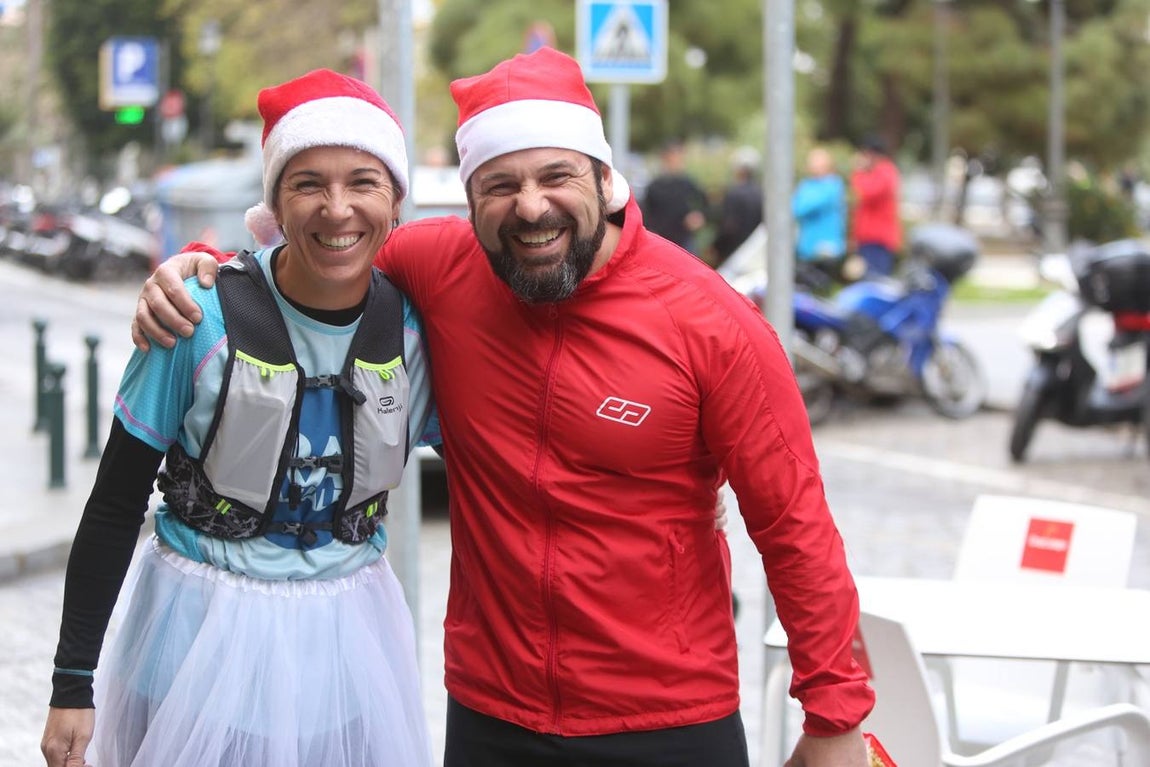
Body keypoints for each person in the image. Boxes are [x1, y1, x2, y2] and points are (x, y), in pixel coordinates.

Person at [132, 47, 875, 767]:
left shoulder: (711, 322)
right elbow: (314, 258)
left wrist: (836, 717)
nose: (530, 206)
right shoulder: (437, 266)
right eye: (498, 184)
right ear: (471, 201)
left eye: (556, 175)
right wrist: (196, 271)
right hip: (492, 713)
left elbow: (795, 525)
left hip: (669, 716)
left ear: (606, 179)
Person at [41, 69, 437, 767]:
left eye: (363, 182)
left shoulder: (416, 330)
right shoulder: (194, 317)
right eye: (308, 183)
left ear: (395, 200)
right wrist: (72, 681)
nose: (337, 209)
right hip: (197, 641)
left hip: (348, 647)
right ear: (275, 203)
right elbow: (113, 504)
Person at [641, 139, 710, 255]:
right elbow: (646, 215)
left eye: (679, 157)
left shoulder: (688, 183)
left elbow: (705, 205)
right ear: (664, 158)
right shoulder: (654, 186)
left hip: (684, 240)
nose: (676, 161)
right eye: (672, 157)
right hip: (662, 241)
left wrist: (699, 216)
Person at [792, 146, 847, 291]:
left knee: (821, 290)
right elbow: (794, 208)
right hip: (807, 249)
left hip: (826, 250)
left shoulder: (833, 185)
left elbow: (802, 207)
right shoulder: (808, 184)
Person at [849, 136, 902, 278]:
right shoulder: (875, 172)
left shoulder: (885, 171)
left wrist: (858, 172)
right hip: (867, 238)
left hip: (878, 239)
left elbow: (866, 193)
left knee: (875, 280)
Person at [710, 146, 764, 269]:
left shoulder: (734, 193)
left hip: (735, 255)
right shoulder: (761, 193)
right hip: (756, 254)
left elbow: (729, 227)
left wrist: (716, 247)